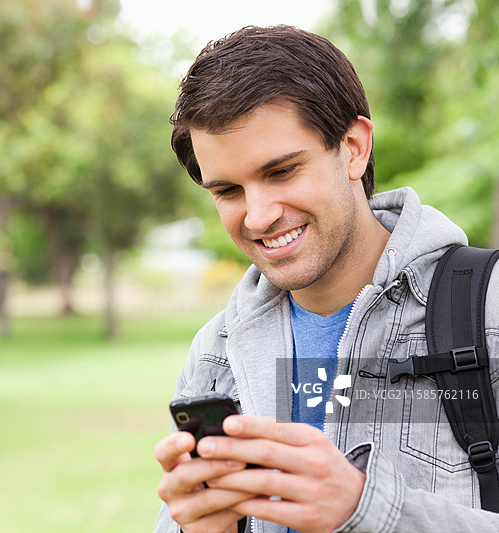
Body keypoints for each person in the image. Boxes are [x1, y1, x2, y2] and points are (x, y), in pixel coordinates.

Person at [153, 25, 499, 533]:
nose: (257, 216)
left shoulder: (488, 310)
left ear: (354, 147)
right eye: (228, 190)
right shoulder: (216, 351)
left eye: (282, 172)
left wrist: (367, 510)